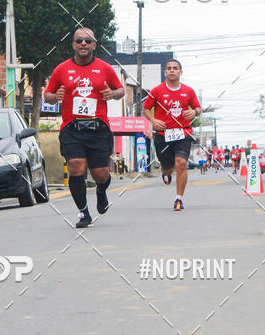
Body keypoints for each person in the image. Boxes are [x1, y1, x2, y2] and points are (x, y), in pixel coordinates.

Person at [44, 27, 124, 228]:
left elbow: (120, 89)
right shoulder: (62, 69)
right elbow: (48, 95)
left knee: (101, 174)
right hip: (72, 127)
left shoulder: (105, 68)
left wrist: (112, 95)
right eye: (79, 40)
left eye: (88, 41)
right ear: (73, 44)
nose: (83, 44)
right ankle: (83, 213)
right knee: (76, 166)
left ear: (94, 45)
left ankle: (101, 190)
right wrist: (56, 97)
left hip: (98, 127)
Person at [143, 59, 201, 211]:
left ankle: (179, 199)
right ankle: (166, 172)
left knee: (181, 162)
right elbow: (146, 108)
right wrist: (153, 121)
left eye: (175, 68)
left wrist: (194, 112)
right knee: (168, 167)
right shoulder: (157, 91)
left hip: (183, 132)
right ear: (165, 72)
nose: (172, 70)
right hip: (163, 134)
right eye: (169, 68)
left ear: (181, 72)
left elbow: (198, 107)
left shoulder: (188, 91)